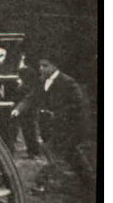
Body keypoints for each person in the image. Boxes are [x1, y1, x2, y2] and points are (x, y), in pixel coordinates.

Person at [12, 55, 93, 192]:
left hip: (67, 127)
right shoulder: (43, 81)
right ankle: (90, 182)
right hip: (51, 126)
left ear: (55, 66)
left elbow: (78, 105)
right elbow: (31, 97)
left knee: (51, 151)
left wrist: (58, 114)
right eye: (40, 66)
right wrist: (18, 109)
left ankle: (40, 184)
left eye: (45, 66)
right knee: (72, 155)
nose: (41, 69)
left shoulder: (67, 82)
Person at [8, 53, 41, 158]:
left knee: (29, 128)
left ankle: (33, 152)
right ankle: (9, 151)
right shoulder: (11, 71)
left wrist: (20, 86)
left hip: (27, 103)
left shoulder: (29, 72)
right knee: (12, 129)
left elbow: (32, 89)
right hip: (14, 102)